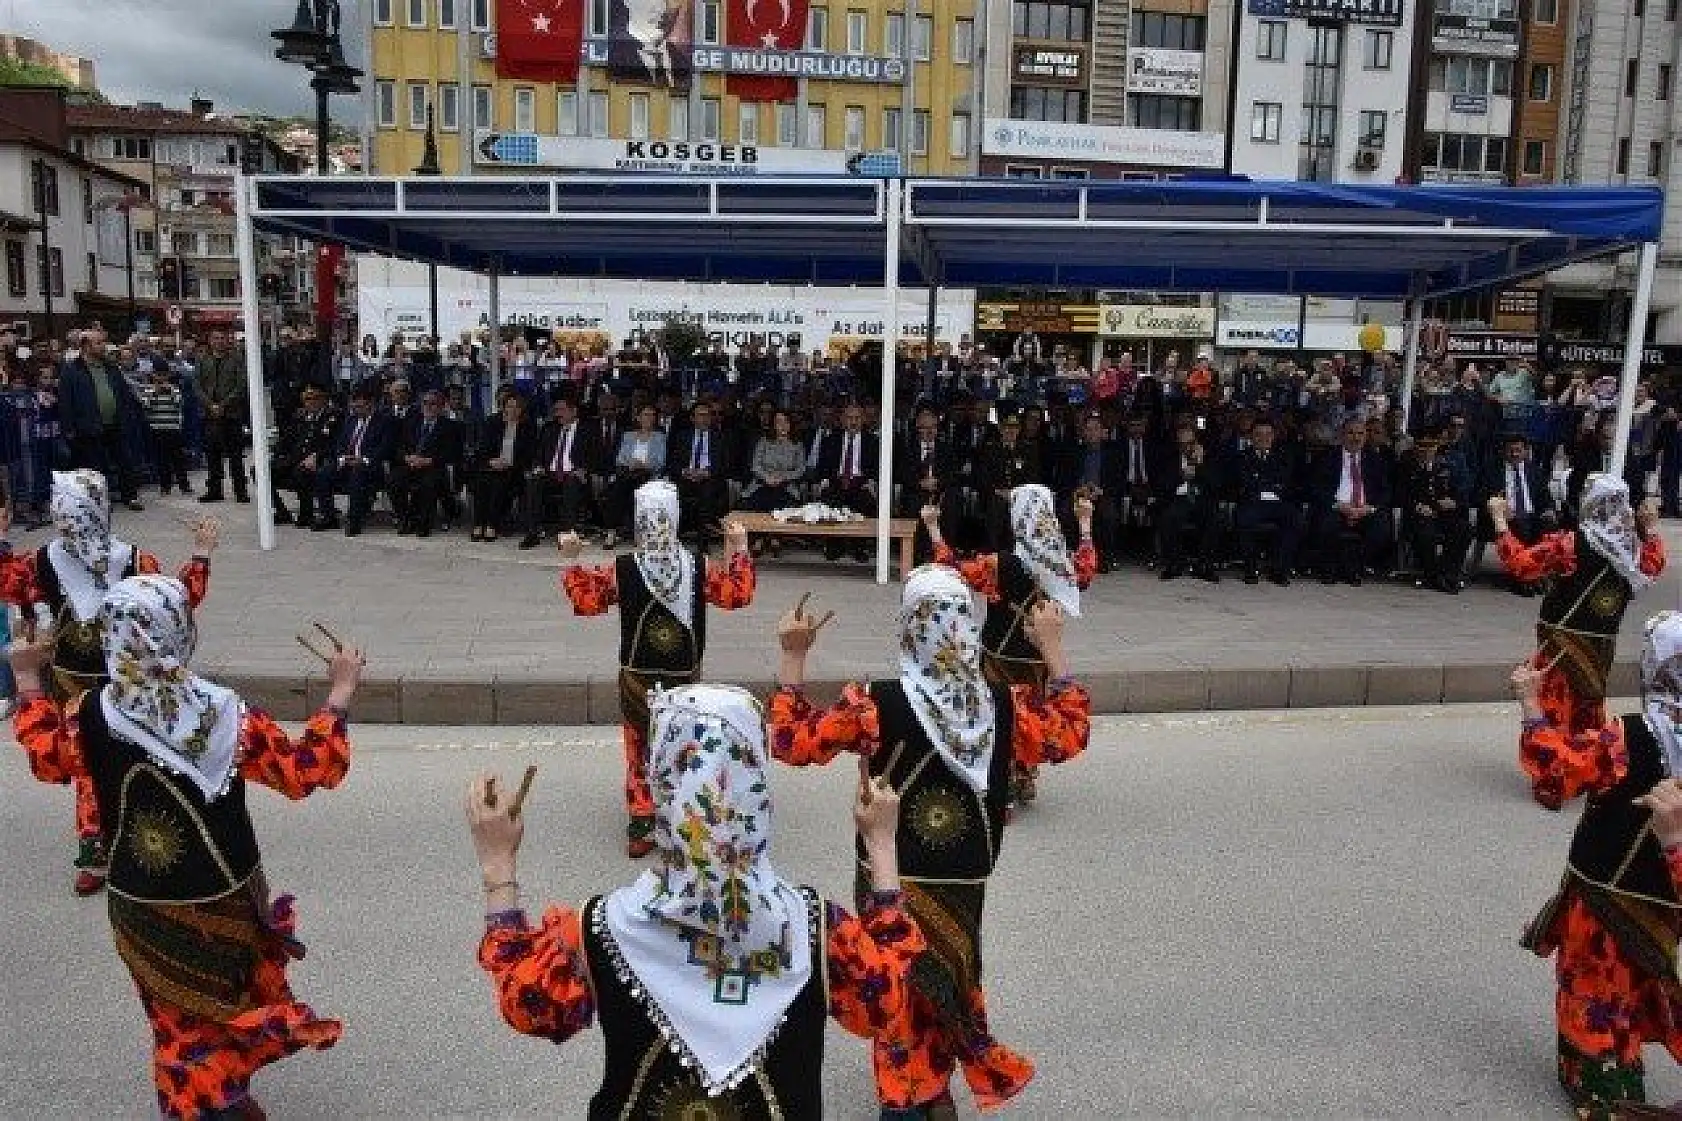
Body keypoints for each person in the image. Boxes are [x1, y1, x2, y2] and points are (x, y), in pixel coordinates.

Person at [468, 683, 927, 1119]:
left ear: (660, 781)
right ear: (758, 786)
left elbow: (527, 1004)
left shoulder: (602, 928)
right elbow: (888, 1002)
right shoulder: (815, 931)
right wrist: (882, 847)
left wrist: (497, 863)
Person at [10, 575, 363, 1121]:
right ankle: (216, 1099)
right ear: (180, 632)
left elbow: (47, 758)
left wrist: (29, 682)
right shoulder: (228, 714)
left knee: (175, 1020)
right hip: (229, 898)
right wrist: (339, 695)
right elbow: (307, 770)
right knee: (223, 1002)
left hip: (141, 904)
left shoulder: (87, 715)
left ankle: (215, 1096)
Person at [769, 570, 1090, 1118]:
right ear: (967, 628)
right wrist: (1055, 651)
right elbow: (1067, 733)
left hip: (890, 867)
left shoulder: (876, 704)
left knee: (898, 983)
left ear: (908, 629)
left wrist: (794, 658)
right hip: (966, 879)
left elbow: (790, 740)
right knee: (952, 975)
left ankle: (908, 1098)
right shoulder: (1003, 705)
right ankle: (933, 1088)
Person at [0, 470, 215, 896]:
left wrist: (201, 555)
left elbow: (173, 602)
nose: (69, 524)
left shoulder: (134, 562)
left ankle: (142, 840)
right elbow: (11, 587)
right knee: (87, 765)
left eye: (75, 515)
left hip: (130, 686)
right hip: (72, 687)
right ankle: (99, 847)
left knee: (135, 762)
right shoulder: (41, 563)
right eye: (64, 516)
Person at [1513, 614, 1682, 1121]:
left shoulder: (1628, 740)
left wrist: (1529, 706)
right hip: (1662, 900)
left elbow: (1557, 772)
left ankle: (1606, 1093)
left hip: (1606, 894)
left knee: (1595, 987)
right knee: (1635, 980)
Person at [556, 481, 755, 856]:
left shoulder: (623, 568)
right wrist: (739, 549)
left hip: (638, 676)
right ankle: (683, 820)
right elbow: (737, 594)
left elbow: (586, 602)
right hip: (683, 677)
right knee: (685, 746)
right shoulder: (697, 566)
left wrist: (571, 559)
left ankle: (643, 820)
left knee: (639, 747)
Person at [1491, 474, 1667, 803]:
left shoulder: (1571, 544)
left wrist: (1500, 521)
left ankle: (1554, 779)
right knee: (1588, 713)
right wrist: (1652, 527)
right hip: (1600, 648)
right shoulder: (1631, 553)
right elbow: (1655, 564)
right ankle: (1590, 773)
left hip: (1562, 643)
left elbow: (1522, 565)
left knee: (1554, 711)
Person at [923, 484, 1096, 810]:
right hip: (1040, 655)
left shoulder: (999, 564)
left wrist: (933, 528)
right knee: (1032, 714)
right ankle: (1024, 776)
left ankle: (996, 775)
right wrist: (1085, 524)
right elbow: (1086, 570)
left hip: (998, 653)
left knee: (996, 714)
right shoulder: (1062, 565)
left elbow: (953, 569)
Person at [58, 322, 145, 511]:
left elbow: (123, 393)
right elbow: (65, 401)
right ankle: (101, 501)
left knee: (125, 461)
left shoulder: (110, 367)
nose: (103, 346)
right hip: (88, 425)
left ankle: (130, 496)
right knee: (96, 467)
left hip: (115, 423)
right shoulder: (72, 370)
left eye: (103, 342)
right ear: (86, 346)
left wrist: (125, 415)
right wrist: (69, 429)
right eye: (98, 343)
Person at [314, 383, 395, 538]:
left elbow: (385, 448)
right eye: (354, 405)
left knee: (358, 475)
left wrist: (363, 460)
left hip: (370, 466)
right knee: (324, 473)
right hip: (348, 462)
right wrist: (343, 458)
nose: (356, 409)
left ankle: (354, 519)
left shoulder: (384, 421)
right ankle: (328, 516)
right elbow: (340, 444)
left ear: (370, 403)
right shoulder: (351, 420)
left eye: (360, 406)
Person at [1401, 427, 1473, 595]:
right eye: (1422, 446)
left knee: (1464, 529)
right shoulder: (1406, 465)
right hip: (1420, 514)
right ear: (1415, 446)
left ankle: (1449, 572)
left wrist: (1453, 502)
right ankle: (1432, 574)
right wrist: (1417, 506)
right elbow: (1400, 494)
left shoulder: (1448, 466)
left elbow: (1463, 491)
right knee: (1425, 533)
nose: (1426, 451)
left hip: (1445, 513)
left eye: (1431, 446)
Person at [520, 396, 595, 549]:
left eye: (562, 410)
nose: (558, 414)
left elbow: (595, 455)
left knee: (571, 483)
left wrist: (584, 469)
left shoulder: (587, 431)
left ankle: (567, 534)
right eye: (556, 410)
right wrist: (538, 466)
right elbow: (539, 454)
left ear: (573, 411)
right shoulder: (550, 429)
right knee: (534, 481)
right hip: (551, 474)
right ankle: (533, 532)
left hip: (574, 474)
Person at [391, 389, 463, 539]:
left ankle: (423, 523)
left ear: (441, 407)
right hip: (411, 463)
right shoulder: (412, 423)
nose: (428, 407)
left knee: (428, 483)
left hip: (433, 466)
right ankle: (405, 519)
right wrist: (407, 457)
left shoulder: (450, 426)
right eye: (425, 403)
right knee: (395, 480)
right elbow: (399, 446)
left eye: (433, 404)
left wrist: (428, 460)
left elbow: (453, 453)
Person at [470, 394, 537, 542]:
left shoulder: (528, 426)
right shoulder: (492, 422)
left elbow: (530, 454)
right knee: (482, 479)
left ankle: (492, 525)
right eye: (509, 406)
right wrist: (491, 461)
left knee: (499, 481)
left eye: (516, 407)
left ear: (521, 410)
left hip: (515, 469)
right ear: (503, 407)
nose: (512, 410)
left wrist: (509, 463)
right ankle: (479, 523)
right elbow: (482, 449)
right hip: (492, 465)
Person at [197, 330, 251, 505]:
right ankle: (214, 490)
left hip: (231, 414)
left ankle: (240, 490)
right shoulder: (203, 360)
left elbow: (240, 385)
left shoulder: (236, 360)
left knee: (235, 454)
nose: (219, 341)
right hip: (210, 414)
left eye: (222, 338)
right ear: (210, 340)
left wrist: (223, 404)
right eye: (215, 338)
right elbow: (197, 385)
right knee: (212, 454)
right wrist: (210, 405)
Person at [138, 365, 191, 496]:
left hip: (173, 429)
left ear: (168, 376)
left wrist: (171, 391)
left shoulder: (175, 389)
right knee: (162, 460)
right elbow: (145, 406)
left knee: (178, 459)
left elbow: (180, 403)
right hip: (157, 429)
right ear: (153, 375)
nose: (161, 378)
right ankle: (165, 486)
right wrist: (154, 392)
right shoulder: (148, 390)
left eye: (163, 375)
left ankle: (184, 485)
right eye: (158, 375)